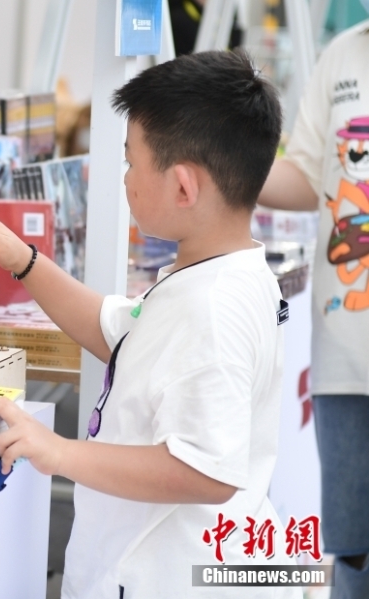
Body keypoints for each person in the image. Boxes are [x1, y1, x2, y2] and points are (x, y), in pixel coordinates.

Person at [0, 50, 298, 598]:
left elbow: (207, 471)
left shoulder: (212, 306)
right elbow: (116, 333)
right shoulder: (218, 274)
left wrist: (58, 451)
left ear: (183, 188)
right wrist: (22, 260)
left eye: (132, 162)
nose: (125, 179)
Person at [257, 17, 369, 599]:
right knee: (353, 555)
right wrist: (219, 156)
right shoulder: (344, 54)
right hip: (345, 358)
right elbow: (306, 175)